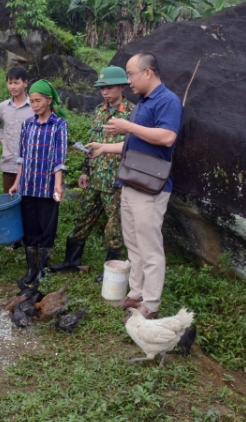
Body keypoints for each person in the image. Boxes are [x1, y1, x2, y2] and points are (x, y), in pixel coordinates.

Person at [87, 53, 183, 321]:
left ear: (148, 73)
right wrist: (104, 147)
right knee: (134, 244)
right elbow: (134, 145)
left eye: (131, 74)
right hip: (131, 181)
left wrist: (127, 125)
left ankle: (151, 305)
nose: (128, 81)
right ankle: (136, 292)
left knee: (150, 247)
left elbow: (167, 137)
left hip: (150, 187)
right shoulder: (143, 103)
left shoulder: (167, 101)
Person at [49, 66, 131, 283]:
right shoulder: (99, 111)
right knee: (82, 218)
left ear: (122, 87)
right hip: (95, 178)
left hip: (116, 181)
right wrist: (85, 171)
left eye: (110, 87)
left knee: (114, 226)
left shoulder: (131, 113)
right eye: (102, 88)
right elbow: (92, 143)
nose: (105, 92)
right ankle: (71, 260)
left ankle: (111, 267)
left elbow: (133, 147)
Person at [8, 79, 68, 286]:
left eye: (38, 100)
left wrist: (58, 185)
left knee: (47, 228)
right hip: (28, 185)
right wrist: (17, 182)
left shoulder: (59, 125)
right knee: (30, 227)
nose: (34, 105)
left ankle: (42, 269)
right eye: (32, 101)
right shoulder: (28, 124)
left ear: (49, 100)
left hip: (48, 186)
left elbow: (60, 159)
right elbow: (22, 157)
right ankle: (31, 269)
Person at [0, 67, 32, 250]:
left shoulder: (33, 106)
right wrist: (2, 139)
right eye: (9, 82)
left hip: (30, 164)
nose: (12, 86)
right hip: (9, 162)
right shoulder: (3, 107)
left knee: (29, 200)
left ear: (25, 83)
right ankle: (14, 238)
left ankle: (29, 236)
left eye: (16, 82)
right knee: (10, 200)